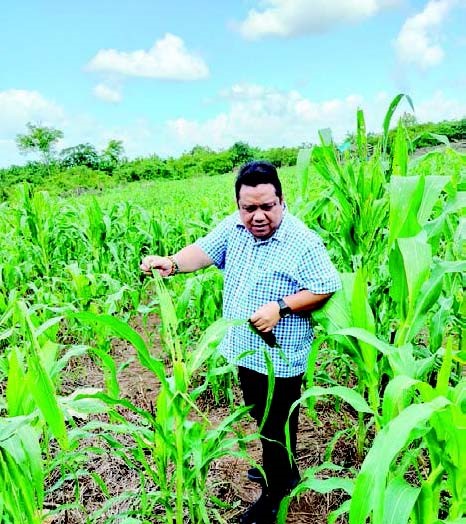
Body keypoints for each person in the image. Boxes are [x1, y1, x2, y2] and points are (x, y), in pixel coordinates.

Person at [140, 161, 341, 523]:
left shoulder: (302, 242)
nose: (258, 216)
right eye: (250, 208)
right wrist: (170, 263)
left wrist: (281, 306)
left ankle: (276, 492)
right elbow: (203, 251)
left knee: (277, 419)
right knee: (260, 415)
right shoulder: (233, 228)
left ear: (282, 200)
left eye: (267, 206)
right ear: (239, 206)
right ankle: (282, 470)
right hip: (244, 347)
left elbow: (325, 286)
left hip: (280, 353)